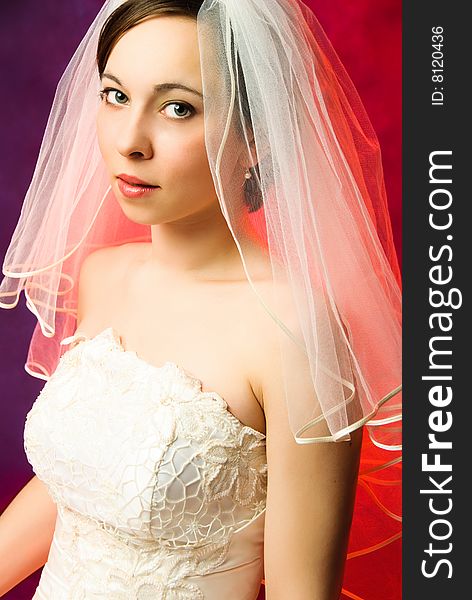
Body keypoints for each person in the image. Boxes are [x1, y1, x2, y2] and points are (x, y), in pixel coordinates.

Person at [0, 1, 402, 598]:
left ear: (259, 137)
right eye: (114, 95)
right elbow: (79, 486)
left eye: (178, 108)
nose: (130, 140)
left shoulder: (295, 332)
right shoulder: (103, 276)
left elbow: (302, 591)